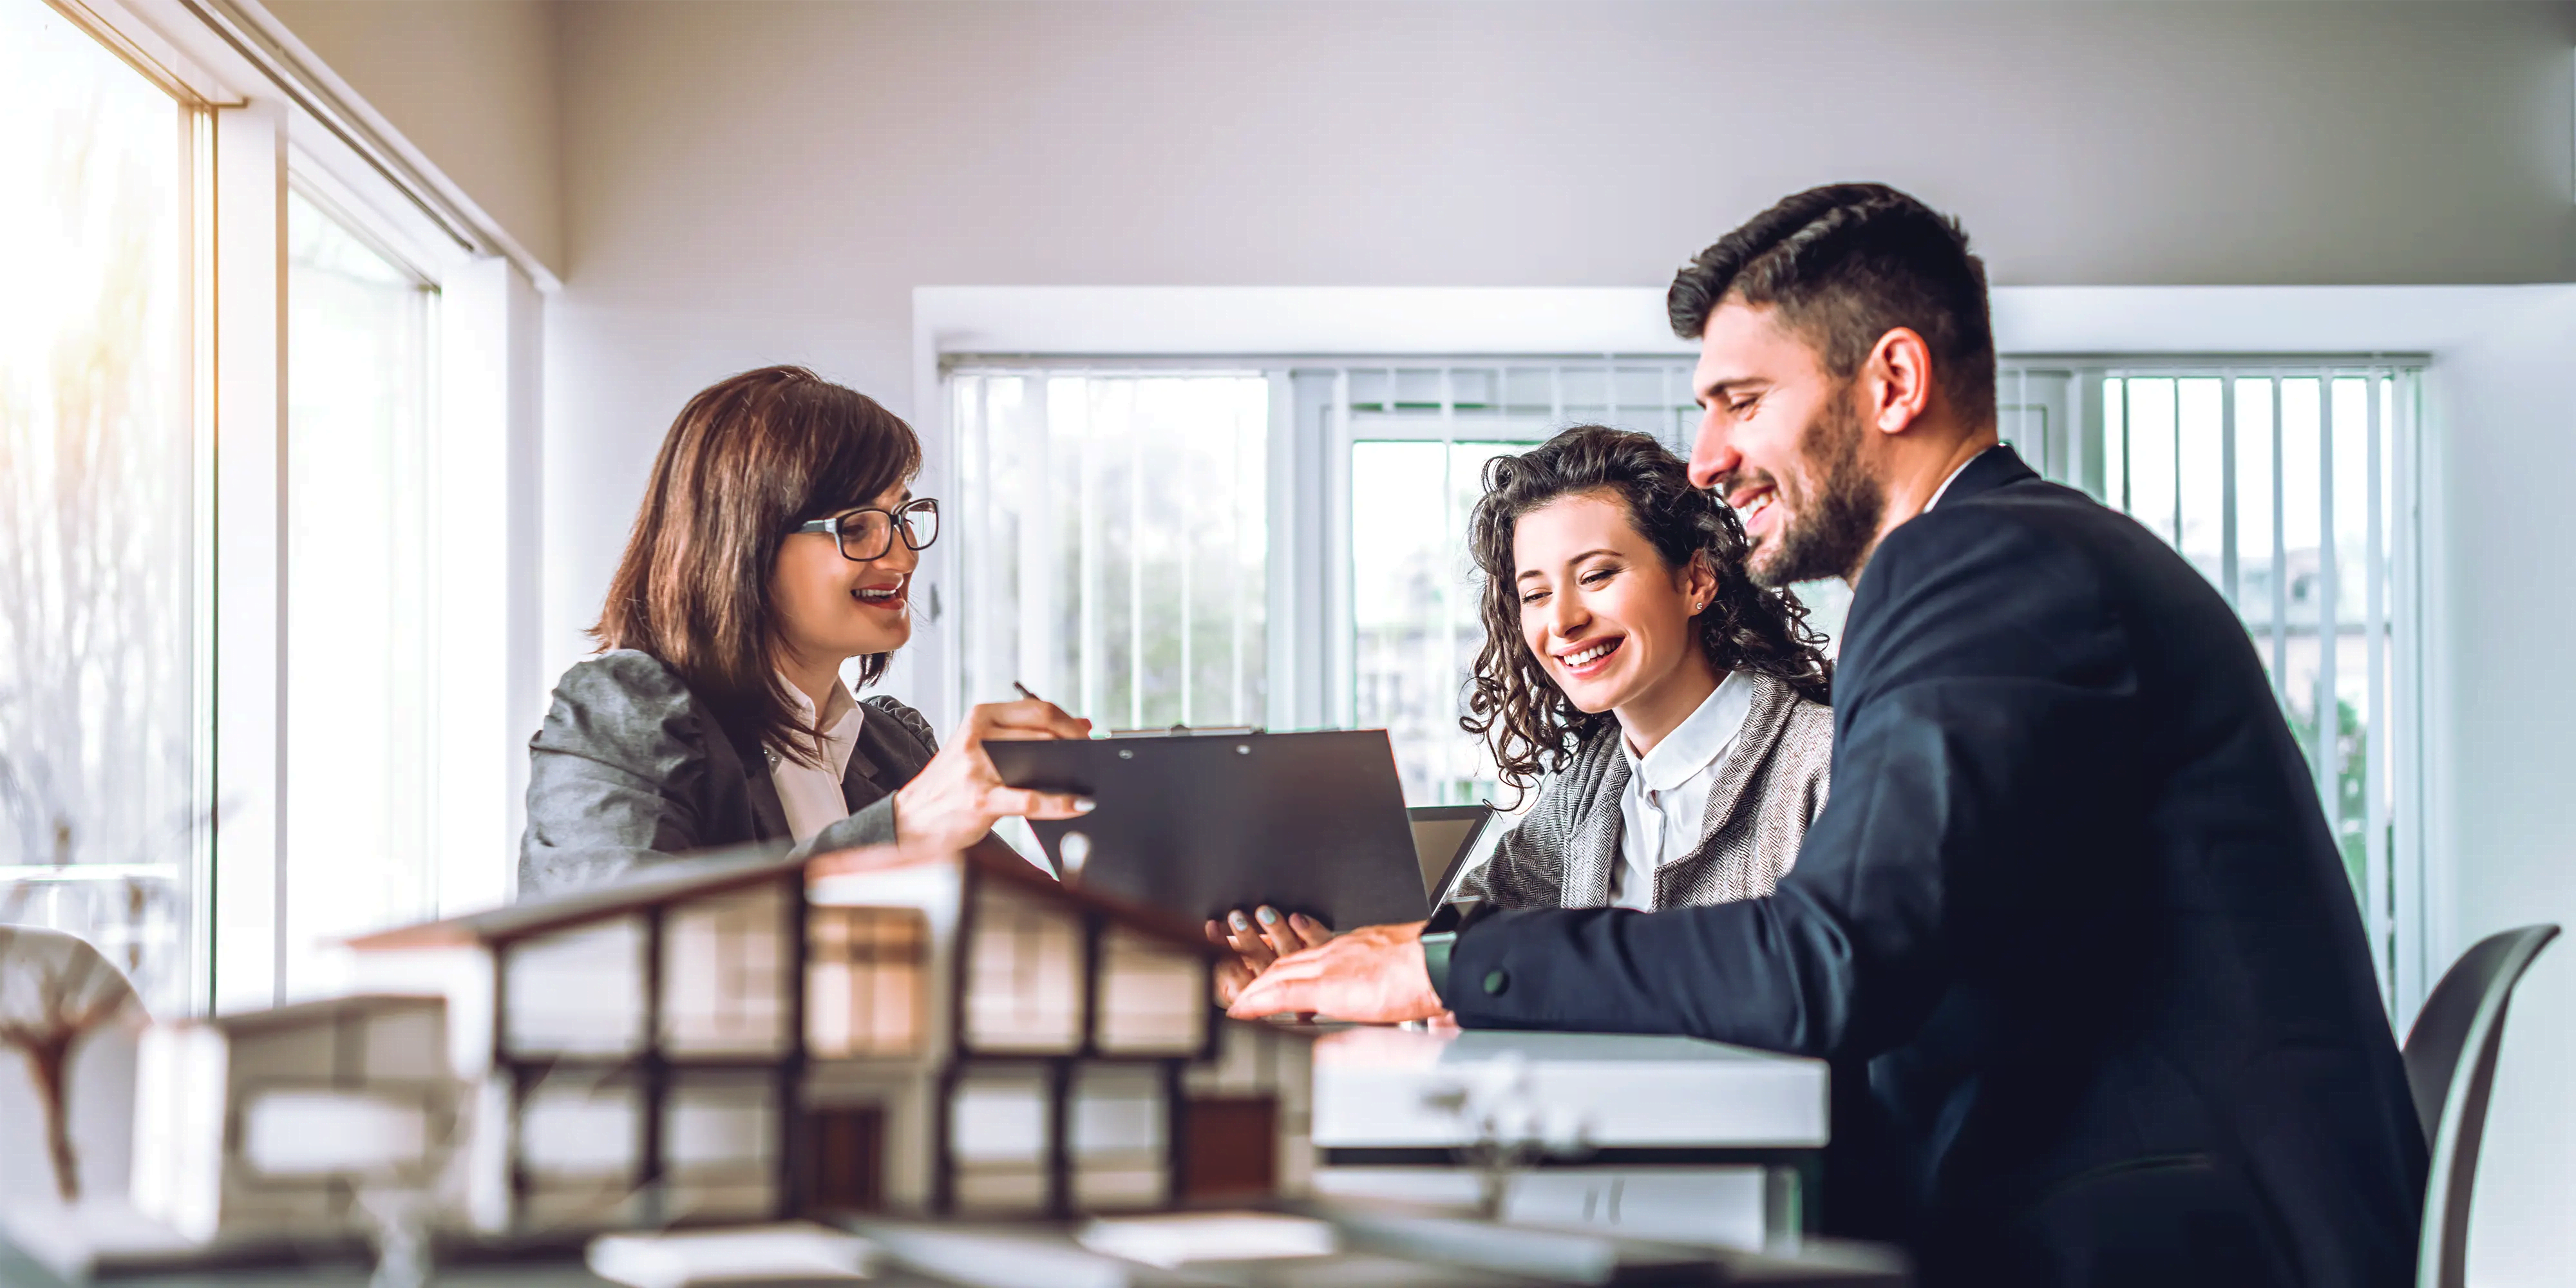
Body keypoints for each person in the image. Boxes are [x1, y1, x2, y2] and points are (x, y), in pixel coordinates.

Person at [1227, 185, 2425, 1287]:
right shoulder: (2019, 557)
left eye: (1743, 402)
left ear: (1893, 382)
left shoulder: (1977, 567)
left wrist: (1439, 965)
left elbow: (1832, 962)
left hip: (2166, 1238)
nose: (1707, 459)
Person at [1209, 426, 1835, 999]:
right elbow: (1461, 935)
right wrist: (1324, 959)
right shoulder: (1593, 788)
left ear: (1696, 579)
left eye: (1595, 575)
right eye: (1534, 593)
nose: (1561, 620)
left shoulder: (1822, 762)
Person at [519, 365, 1090, 896]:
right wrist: (902, 828)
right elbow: (619, 949)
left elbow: (1053, 929)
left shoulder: (891, 749)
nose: (902, 557)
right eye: (857, 527)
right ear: (743, 542)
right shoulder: (621, 714)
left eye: (901, 518)